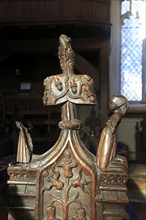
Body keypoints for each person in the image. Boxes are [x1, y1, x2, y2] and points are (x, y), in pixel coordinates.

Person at [96, 94, 129, 172]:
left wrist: (108, 124)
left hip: (108, 134)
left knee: (103, 164)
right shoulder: (115, 114)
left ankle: (104, 167)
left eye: (111, 103)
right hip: (107, 133)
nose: (109, 105)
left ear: (119, 104)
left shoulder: (117, 115)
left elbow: (112, 129)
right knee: (100, 157)